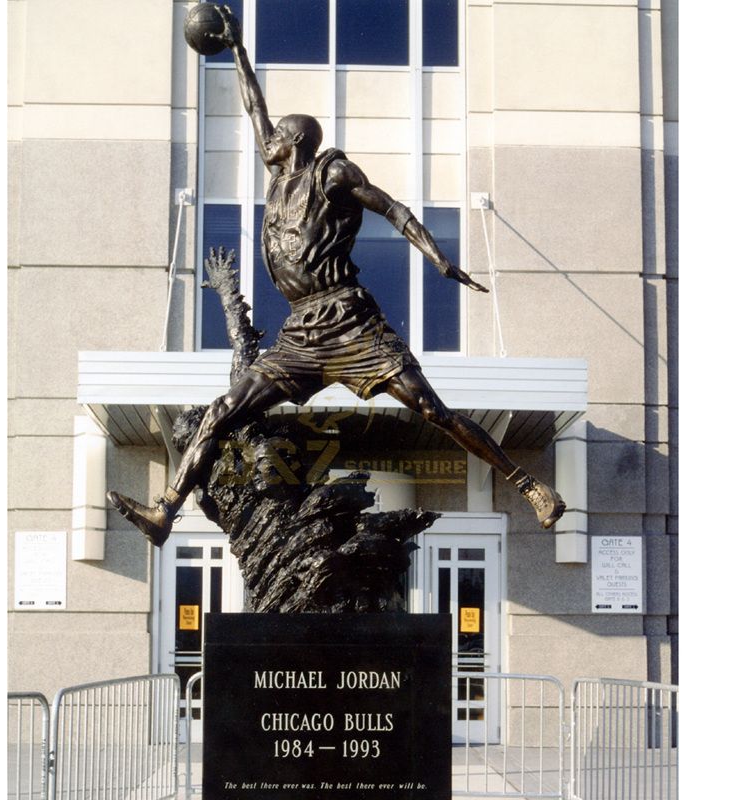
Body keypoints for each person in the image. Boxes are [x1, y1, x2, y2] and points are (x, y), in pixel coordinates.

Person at [108, 6, 565, 546]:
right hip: (300, 333)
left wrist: (438, 259)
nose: (267, 139)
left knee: (430, 409)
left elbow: (393, 208)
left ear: (296, 140)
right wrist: (236, 50)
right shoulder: (278, 174)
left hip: (349, 320)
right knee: (222, 410)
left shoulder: (332, 172)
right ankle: (165, 512)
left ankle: (530, 485)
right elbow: (255, 106)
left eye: (277, 135)